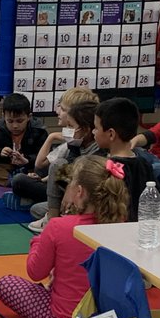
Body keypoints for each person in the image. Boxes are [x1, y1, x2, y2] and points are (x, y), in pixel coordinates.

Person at [0, 156, 129, 318]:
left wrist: (38, 240)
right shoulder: (121, 225)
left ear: (79, 191)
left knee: (6, 284)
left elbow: (35, 272)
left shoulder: (60, 226)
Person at [92, 97, 160, 222]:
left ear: (111, 134)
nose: (93, 132)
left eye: (96, 128)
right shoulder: (143, 163)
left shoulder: (103, 167)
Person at [28, 87, 101, 234]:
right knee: (35, 208)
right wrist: (52, 137)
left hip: (85, 198)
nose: (58, 112)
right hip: (68, 192)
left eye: (70, 126)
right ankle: (57, 215)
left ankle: (54, 220)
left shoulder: (97, 150)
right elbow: (40, 166)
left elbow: (80, 176)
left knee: (57, 165)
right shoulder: (74, 142)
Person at [0, 94, 49, 195]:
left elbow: (45, 157)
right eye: (10, 121)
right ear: (4, 116)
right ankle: (15, 181)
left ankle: (21, 180)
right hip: (7, 166)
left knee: (45, 169)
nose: (15, 126)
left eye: (20, 121)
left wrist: (26, 160)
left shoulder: (39, 131)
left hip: (29, 167)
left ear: (29, 117)